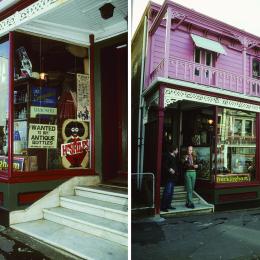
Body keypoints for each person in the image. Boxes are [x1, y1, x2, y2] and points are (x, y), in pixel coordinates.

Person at [161, 145, 179, 212]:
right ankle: (163, 207)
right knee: (167, 192)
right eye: (177, 150)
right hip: (169, 177)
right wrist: (170, 169)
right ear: (173, 150)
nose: (177, 151)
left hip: (173, 177)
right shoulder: (167, 156)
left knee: (171, 192)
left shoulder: (174, 156)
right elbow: (164, 165)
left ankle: (168, 205)